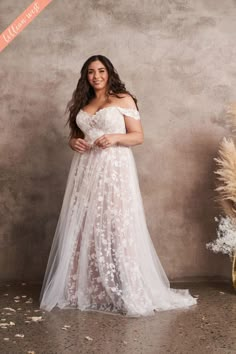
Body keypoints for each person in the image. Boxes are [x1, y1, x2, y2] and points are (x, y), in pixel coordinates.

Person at [39, 55, 197, 317]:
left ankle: (130, 291)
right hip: (86, 170)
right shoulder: (84, 102)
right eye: (91, 72)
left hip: (114, 169)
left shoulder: (123, 98)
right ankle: (85, 289)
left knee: (117, 225)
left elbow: (138, 136)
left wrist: (114, 137)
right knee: (82, 226)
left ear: (109, 73)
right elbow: (78, 135)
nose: (96, 76)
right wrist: (72, 143)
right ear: (85, 76)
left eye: (101, 71)